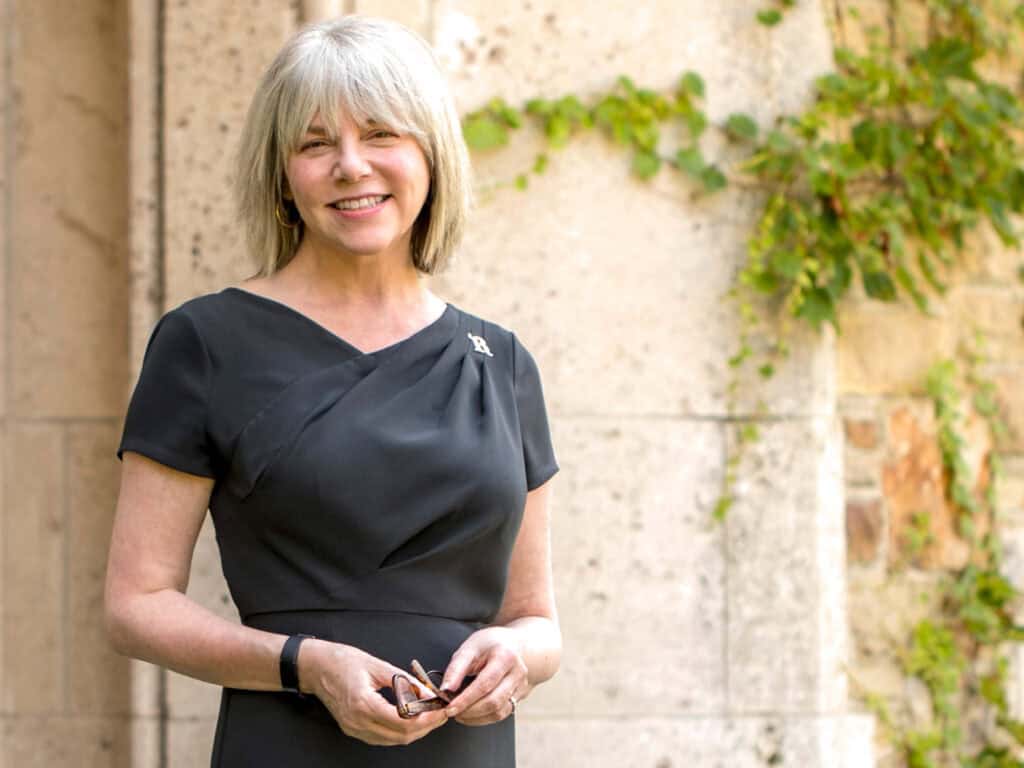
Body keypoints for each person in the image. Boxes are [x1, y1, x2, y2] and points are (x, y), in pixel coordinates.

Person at [104, 15, 561, 767]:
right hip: (284, 745)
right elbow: (134, 607)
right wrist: (305, 666)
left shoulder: (502, 363)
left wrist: (519, 657)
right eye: (316, 144)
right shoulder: (205, 344)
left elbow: (537, 619)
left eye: (381, 134)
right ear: (282, 175)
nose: (351, 166)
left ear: (431, 154)